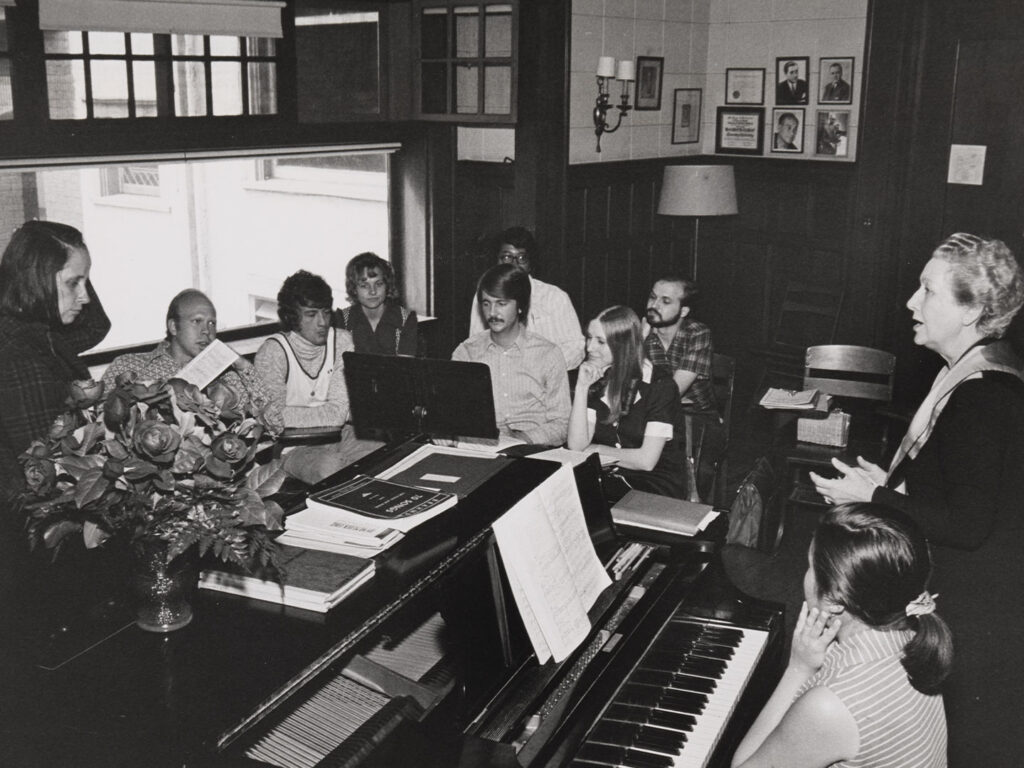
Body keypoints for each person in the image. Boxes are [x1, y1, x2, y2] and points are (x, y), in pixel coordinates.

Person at [810, 232, 1024, 765]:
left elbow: (970, 523)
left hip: (977, 612)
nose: (911, 301)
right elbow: (966, 483)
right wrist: (893, 484)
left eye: (928, 290)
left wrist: (878, 495)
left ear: (972, 309)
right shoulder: (973, 374)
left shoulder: (982, 396)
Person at [732, 503, 950, 768]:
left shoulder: (831, 704)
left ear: (836, 599)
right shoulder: (912, 635)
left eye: (810, 566)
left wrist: (798, 669)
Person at [0, 221, 110, 503]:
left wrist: (72, 265)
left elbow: (95, 327)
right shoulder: (19, 356)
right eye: (74, 283)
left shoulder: (36, 329)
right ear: (37, 277)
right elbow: (47, 472)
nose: (84, 297)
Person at [256, 270, 380, 484]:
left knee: (385, 459)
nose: (322, 322)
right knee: (330, 469)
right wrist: (331, 412)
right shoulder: (273, 352)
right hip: (292, 448)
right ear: (291, 317)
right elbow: (274, 420)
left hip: (343, 435)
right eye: (311, 315)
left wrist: (295, 414)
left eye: (325, 312)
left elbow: (338, 414)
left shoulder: (341, 340)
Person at [569, 305, 684, 499]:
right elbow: (577, 445)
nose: (590, 348)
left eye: (600, 342)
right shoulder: (597, 378)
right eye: (589, 338)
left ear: (623, 346)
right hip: (607, 477)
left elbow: (646, 460)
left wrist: (595, 449)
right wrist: (581, 388)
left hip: (655, 485)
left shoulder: (660, 386)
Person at [453, 263, 570, 447]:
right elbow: (454, 414)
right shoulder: (466, 353)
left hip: (533, 450)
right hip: (481, 449)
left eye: (501, 304)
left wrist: (520, 440)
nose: (492, 313)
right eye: (486, 303)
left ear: (520, 306)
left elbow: (562, 425)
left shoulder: (548, 354)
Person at [101, 289, 269, 416]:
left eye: (212, 323)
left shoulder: (228, 378)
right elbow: (95, 419)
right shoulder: (129, 367)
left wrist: (243, 365)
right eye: (197, 321)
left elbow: (273, 424)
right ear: (173, 327)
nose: (206, 331)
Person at [642, 277, 722, 490]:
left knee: (687, 477)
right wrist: (637, 340)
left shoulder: (697, 333)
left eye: (665, 301)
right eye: (652, 297)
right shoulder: (641, 334)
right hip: (648, 415)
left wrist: (647, 391)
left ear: (684, 311)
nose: (654, 305)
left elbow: (673, 392)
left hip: (696, 418)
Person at [468, 226, 584, 369]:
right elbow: (475, 345)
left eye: (521, 258)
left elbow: (575, 347)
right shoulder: (484, 296)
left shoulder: (555, 297)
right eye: (506, 257)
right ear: (496, 261)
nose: (514, 264)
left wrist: (541, 368)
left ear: (530, 263)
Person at [334, 252, 418, 356]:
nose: (372, 291)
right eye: (364, 285)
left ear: (387, 285)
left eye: (378, 284)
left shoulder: (405, 319)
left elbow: (405, 367)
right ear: (354, 289)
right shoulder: (342, 320)